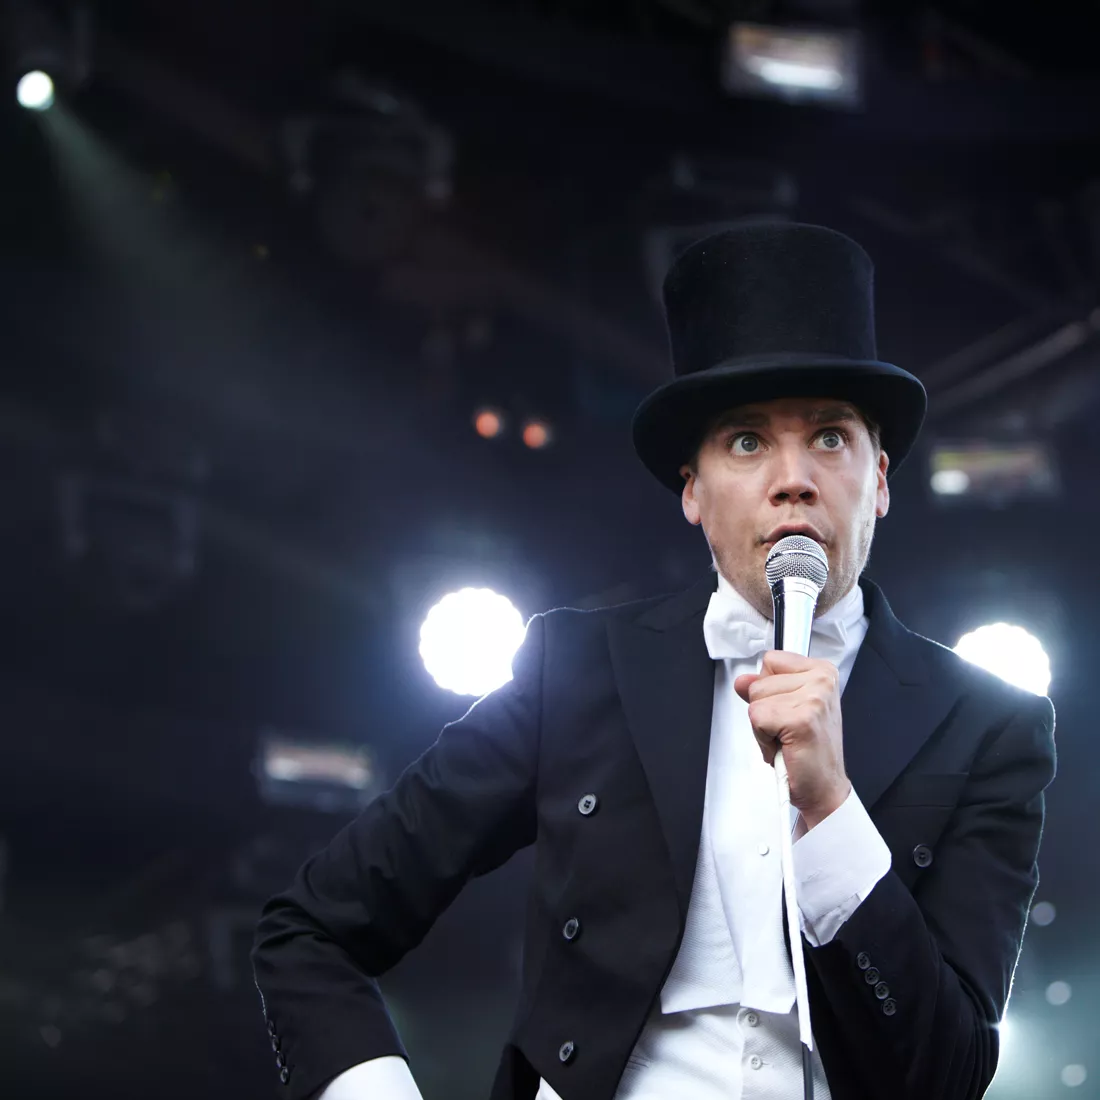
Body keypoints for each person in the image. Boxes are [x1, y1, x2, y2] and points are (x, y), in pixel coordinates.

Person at [251, 222, 1056, 1100]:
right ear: (693, 491)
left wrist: (830, 810)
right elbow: (312, 929)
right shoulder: (577, 671)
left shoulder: (989, 726)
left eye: (830, 437)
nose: (794, 477)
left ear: (882, 480)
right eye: (746, 441)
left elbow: (948, 1074)